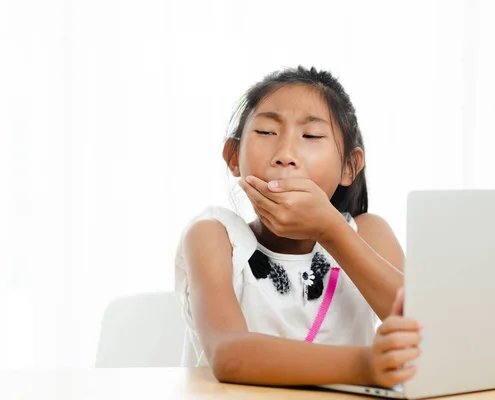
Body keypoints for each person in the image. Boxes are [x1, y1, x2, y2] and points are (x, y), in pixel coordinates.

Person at [174, 66, 422, 388]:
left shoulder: (368, 234)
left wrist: (331, 230)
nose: (285, 154)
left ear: (349, 167)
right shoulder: (214, 237)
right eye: (266, 132)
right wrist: (365, 364)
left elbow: (428, 330)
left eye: (311, 136)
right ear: (233, 157)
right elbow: (229, 354)